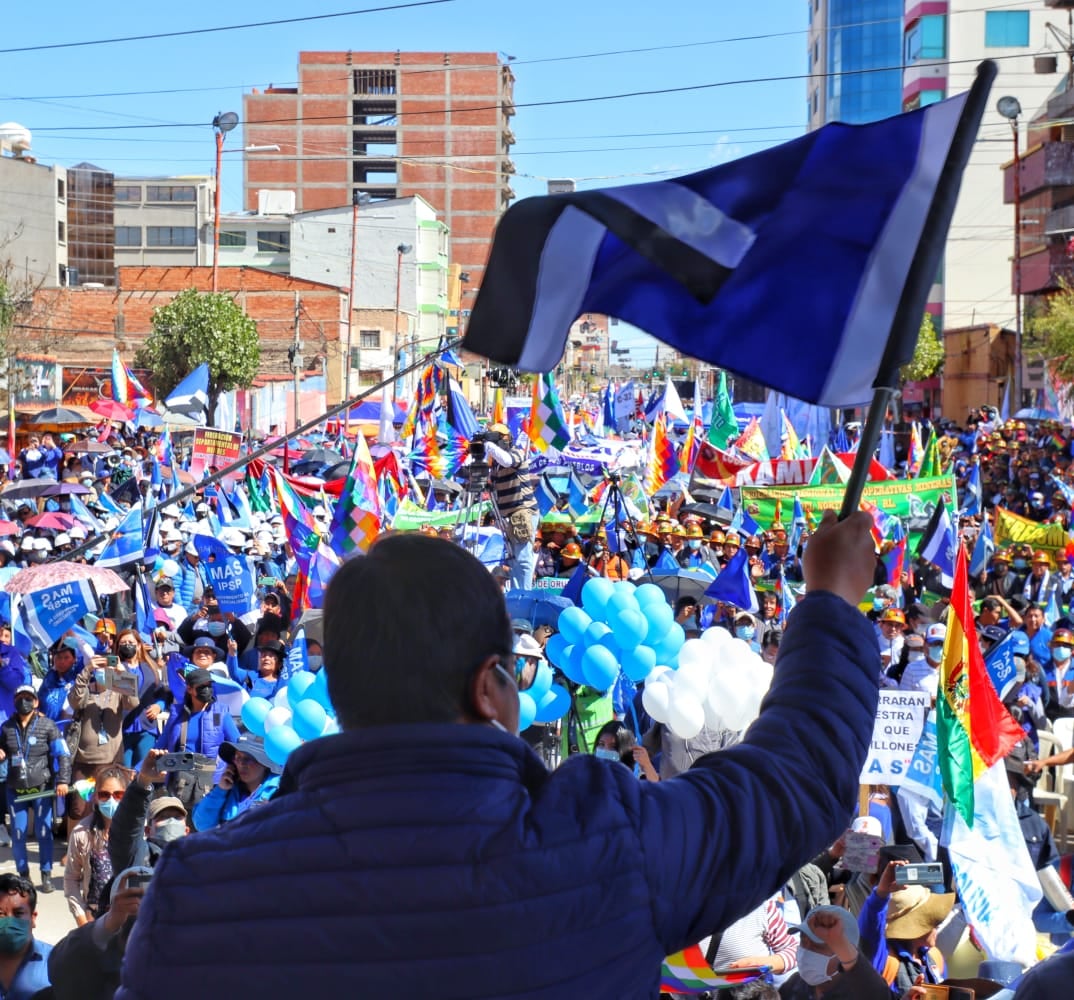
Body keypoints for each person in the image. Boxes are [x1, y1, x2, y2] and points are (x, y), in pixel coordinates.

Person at [117, 511, 882, 999]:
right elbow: (797, 779)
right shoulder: (606, 843)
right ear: (492, 688)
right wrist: (832, 601)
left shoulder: (196, 888)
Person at [0, 685, 70, 893]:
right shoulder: (6, 727)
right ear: (14, 701)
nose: (24, 701)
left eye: (28, 698)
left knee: (43, 832)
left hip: (42, 788)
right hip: (16, 789)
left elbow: (63, 754)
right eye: (20, 697)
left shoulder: (48, 726)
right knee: (19, 834)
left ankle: (46, 874)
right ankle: (23, 877)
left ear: (36, 701)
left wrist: (63, 780)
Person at [65, 765, 130, 928]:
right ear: (95, 797)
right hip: (94, 919)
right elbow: (71, 879)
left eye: (118, 795)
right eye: (104, 795)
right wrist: (82, 922)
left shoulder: (138, 831)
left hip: (129, 920)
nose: (111, 800)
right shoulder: (82, 833)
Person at [779, 905, 890, 999]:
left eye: (816, 945)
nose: (805, 951)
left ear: (842, 952)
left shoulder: (861, 992)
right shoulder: (794, 985)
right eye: (803, 941)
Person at [483, 422, 539, 591]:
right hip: (508, 514)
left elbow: (508, 461)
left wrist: (489, 445)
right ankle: (517, 593)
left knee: (522, 557)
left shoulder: (517, 453)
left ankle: (525, 593)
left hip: (523, 511)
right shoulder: (496, 463)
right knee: (514, 558)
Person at [191, 734, 282, 831]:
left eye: (248, 759)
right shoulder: (228, 791)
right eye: (237, 757)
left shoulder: (279, 790)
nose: (241, 764)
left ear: (264, 763)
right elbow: (202, 825)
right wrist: (220, 790)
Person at [0, 873, 52, 1000]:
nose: (8, 922)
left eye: (18, 913)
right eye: (0, 914)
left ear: (33, 918)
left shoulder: (57, 962)